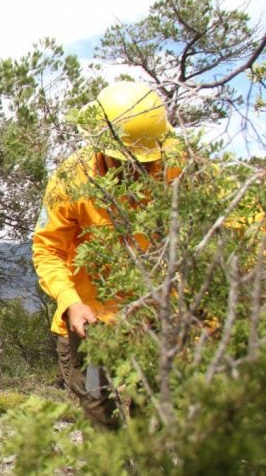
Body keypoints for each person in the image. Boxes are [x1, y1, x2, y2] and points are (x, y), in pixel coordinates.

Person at [32, 81, 181, 429]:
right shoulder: (71, 179)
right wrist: (70, 302)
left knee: (153, 421)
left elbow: (233, 212)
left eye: (144, 161)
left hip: (153, 319)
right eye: (124, 159)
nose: (135, 169)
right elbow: (47, 248)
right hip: (89, 323)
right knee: (102, 422)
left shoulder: (174, 164)